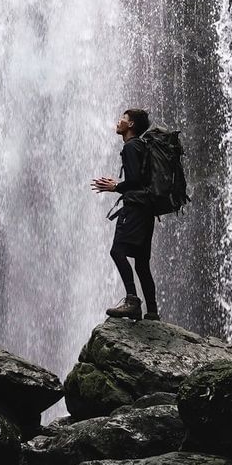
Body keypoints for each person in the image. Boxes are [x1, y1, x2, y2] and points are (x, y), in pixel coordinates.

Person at [91, 107, 160, 322]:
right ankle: (152, 311)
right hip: (146, 211)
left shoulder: (131, 147)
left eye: (123, 118)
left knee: (117, 251)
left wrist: (115, 187)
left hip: (135, 210)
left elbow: (134, 182)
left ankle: (132, 301)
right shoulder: (141, 146)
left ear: (130, 125)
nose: (118, 121)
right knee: (141, 262)